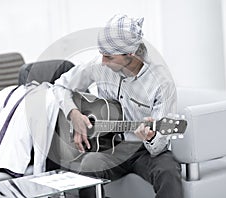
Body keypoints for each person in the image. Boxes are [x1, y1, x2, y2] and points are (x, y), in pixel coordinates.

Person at [53, 14, 182, 198]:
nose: (103, 62)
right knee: (87, 167)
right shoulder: (100, 66)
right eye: (102, 55)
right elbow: (61, 85)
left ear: (130, 54)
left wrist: (151, 136)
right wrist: (73, 114)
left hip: (145, 151)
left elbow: (159, 145)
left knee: (168, 172)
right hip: (111, 148)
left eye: (109, 57)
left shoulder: (161, 82)